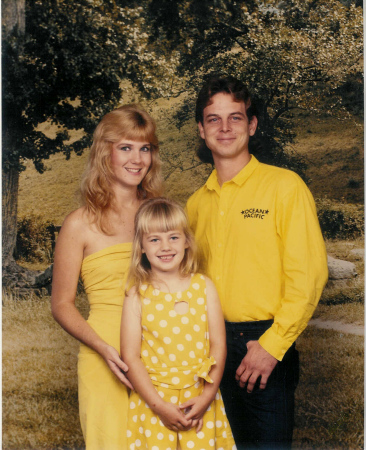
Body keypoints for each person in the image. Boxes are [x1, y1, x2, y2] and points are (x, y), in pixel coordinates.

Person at [186, 75, 328, 449]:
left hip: (263, 342)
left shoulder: (285, 186)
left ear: (252, 124)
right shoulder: (196, 203)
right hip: (209, 346)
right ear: (201, 130)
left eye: (235, 117)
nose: (225, 127)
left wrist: (272, 345)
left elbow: (308, 276)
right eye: (213, 119)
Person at [51, 104, 163, 450]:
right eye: (126, 147)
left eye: (145, 148)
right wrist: (101, 348)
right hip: (107, 357)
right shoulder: (79, 223)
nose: (137, 159)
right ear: (105, 152)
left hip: (162, 350)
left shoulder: (160, 213)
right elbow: (62, 304)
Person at [121, 197, 236, 450]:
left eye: (173, 237)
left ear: (186, 242)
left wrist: (206, 398)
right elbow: (131, 357)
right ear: (141, 246)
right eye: (154, 239)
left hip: (200, 399)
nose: (165, 246)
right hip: (154, 401)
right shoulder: (136, 295)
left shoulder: (204, 287)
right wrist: (159, 406)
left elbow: (218, 347)